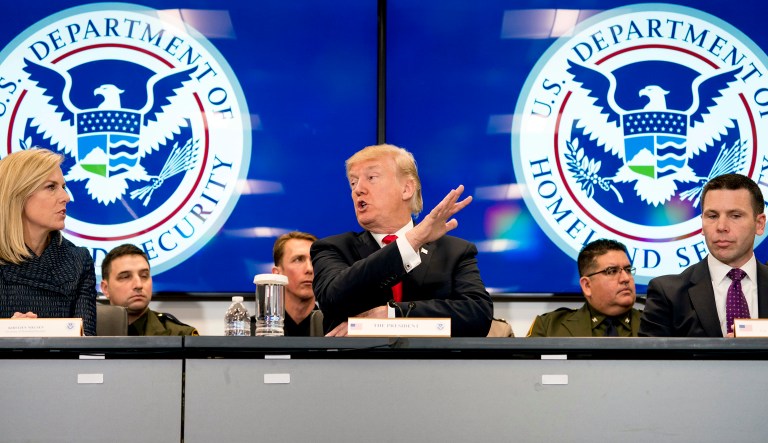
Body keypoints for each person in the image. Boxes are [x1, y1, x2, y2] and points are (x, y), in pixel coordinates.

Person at [311, 144, 493, 336]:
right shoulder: (332, 248)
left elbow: (478, 315)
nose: (358, 190)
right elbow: (333, 299)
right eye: (353, 182)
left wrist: (393, 315)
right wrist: (412, 241)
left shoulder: (455, 251)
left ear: (406, 189)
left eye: (371, 178)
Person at [640, 173, 768, 337]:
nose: (721, 226)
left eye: (735, 216)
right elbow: (651, 354)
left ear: (759, 224)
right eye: (712, 216)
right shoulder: (668, 294)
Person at [0, 148, 96, 335]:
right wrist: (6, 332)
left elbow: (87, 341)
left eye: (63, 187)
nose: (66, 197)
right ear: (18, 194)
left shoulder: (78, 261)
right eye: (51, 187)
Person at [527, 239, 641, 337]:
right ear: (587, 285)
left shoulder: (651, 324)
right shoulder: (549, 326)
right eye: (612, 271)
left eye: (628, 270)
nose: (626, 278)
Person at [101, 243, 198, 336]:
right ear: (106, 288)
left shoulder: (180, 335)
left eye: (144, 276)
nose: (138, 285)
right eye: (125, 277)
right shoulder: (92, 334)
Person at [271, 231, 319, 336]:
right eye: (298, 260)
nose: (309, 269)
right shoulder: (255, 330)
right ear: (277, 274)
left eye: (314, 260)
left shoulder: (336, 329)